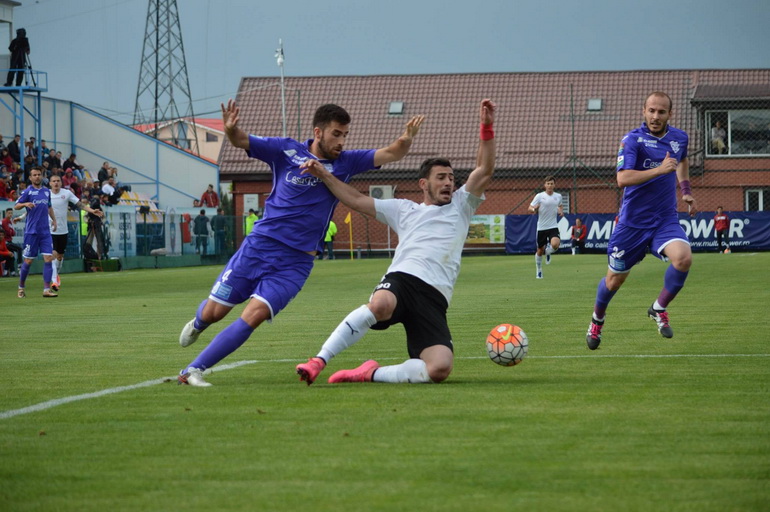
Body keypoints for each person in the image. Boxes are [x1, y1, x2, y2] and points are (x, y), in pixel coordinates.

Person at [175, 99, 424, 387]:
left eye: (345, 135)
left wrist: (407, 138)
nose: (342, 141)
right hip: (259, 248)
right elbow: (240, 139)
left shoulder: (347, 162)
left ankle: (193, 370)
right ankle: (198, 324)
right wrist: (230, 129)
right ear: (318, 132)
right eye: (336, 134)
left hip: (295, 263)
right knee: (214, 312)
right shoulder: (285, 150)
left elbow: (392, 153)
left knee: (253, 315)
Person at [296, 99, 495, 386]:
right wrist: (325, 174)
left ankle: (370, 373)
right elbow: (356, 199)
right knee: (381, 304)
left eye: (452, 178)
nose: (449, 183)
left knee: (439, 369)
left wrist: (486, 128)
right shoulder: (404, 209)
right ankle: (319, 360)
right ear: (424, 184)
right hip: (403, 279)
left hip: (435, 297)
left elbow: (485, 170)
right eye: (441, 178)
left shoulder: (461, 205)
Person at [586, 91, 697, 350]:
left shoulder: (679, 138)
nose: (656, 116)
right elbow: (622, 179)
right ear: (643, 111)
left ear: (671, 114)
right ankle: (597, 320)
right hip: (632, 224)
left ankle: (658, 309)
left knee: (683, 258)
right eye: (651, 111)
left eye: (661, 112)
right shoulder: (632, 140)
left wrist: (687, 191)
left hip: (664, 219)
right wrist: (659, 169)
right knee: (614, 280)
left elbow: (681, 161)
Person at [48, 174, 103, 291]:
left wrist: (92, 211)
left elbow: (80, 205)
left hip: (63, 230)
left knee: (60, 257)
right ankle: (54, 281)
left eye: (58, 180)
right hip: (50, 230)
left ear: (61, 183)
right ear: (50, 183)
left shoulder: (66, 193)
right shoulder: (46, 194)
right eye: (54, 181)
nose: (56, 183)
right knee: (52, 255)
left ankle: (56, 275)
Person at [14, 166, 58, 298]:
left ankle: (46, 289)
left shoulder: (46, 191)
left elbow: (49, 207)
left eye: (39, 174)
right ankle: (21, 287)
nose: (37, 177)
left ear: (42, 176)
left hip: (45, 232)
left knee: (48, 258)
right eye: (34, 175)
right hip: (31, 232)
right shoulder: (28, 192)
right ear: (30, 177)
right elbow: (16, 205)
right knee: (28, 261)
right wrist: (25, 204)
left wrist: (54, 220)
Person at [528, 176, 563, 278]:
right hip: (542, 227)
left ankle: (548, 251)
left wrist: (560, 211)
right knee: (539, 250)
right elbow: (529, 208)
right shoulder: (539, 196)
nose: (550, 185)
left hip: (553, 226)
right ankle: (539, 270)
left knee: (556, 244)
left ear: (554, 185)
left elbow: (560, 205)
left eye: (552, 183)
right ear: (545, 185)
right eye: (548, 183)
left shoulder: (558, 196)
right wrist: (534, 209)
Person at [2, 207, 23, 272]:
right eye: (9, 213)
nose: (10, 215)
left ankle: (8, 272)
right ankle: (19, 264)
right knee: (19, 249)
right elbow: (7, 231)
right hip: (6, 242)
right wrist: (10, 231)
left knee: (11, 257)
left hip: (9, 241)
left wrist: (10, 231)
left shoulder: (10, 222)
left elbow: (13, 233)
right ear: (6, 213)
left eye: (11, 213)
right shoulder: (4, 221)